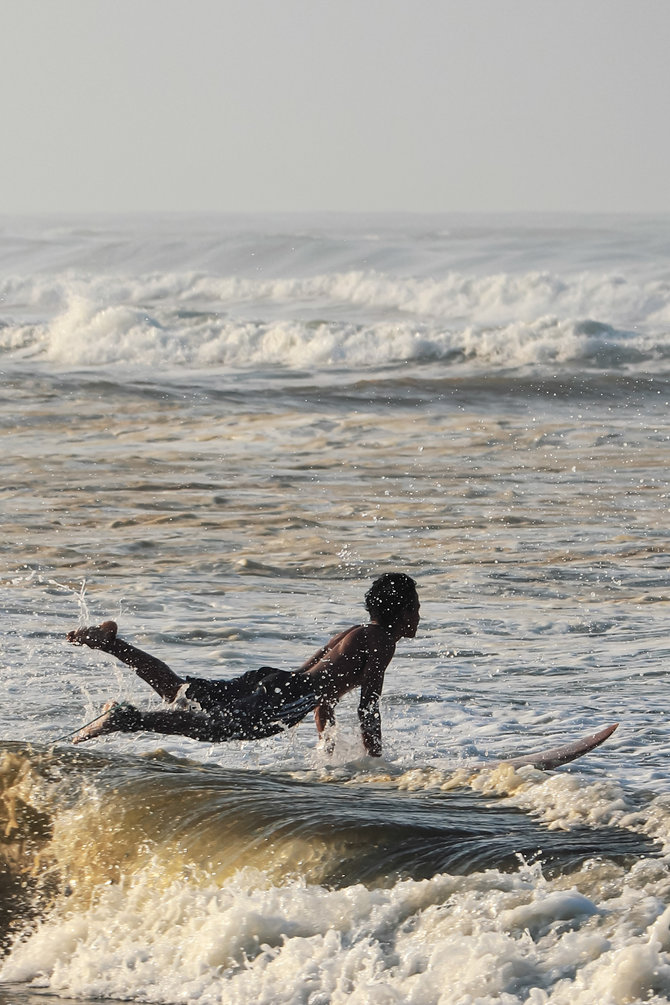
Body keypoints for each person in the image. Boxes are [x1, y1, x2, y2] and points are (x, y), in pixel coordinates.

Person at [66, 573, 420, 756]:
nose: (418, 617)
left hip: (275, 680)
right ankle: (127, 718)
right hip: (286, 696)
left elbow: (321, 693)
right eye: (415, 609)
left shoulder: (353, 632)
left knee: (180, 692)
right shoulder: (382, 641)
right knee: (210, 727)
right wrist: (376, 766)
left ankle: (111, 643)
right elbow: (368, 706)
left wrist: (325, 747)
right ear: (401, 612)